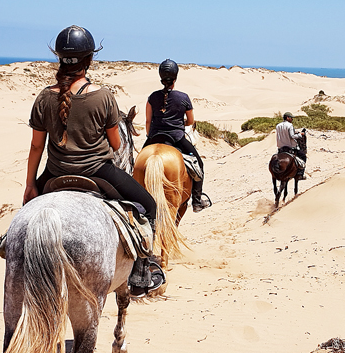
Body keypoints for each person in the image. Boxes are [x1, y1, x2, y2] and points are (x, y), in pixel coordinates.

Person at [24, 25, 163, 296]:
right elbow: (116, 144)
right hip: (99, 172)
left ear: (59, 58)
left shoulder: (43, 97)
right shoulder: (103, 96)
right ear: (90, 60)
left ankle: (10, 245)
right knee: (148, 205)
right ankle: (141, 273)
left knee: (26, 214)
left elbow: (36, 146)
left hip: (53, 174)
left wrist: (30, 184)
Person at [144, 59, 211, 212]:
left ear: (161, 77)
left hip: (154, 137)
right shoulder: (183, 98)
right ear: (175, 78)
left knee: (136, 164)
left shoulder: (152, 97)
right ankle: (196, 201)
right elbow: (191, 121)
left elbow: (148, 121)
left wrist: (150, 136)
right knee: (199, 164)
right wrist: (181, 124)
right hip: (177, 138)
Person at [275, 112, 306, 179]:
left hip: (280, 147)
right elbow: (292, 136)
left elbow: (284, 133)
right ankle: (300, 174)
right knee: (303, 156)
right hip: (290, 146)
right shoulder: (290, 125)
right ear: (287, 118)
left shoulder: (278, 125)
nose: (292, 119)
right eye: (291, 118)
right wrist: (300, 135)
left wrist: (296, 132)